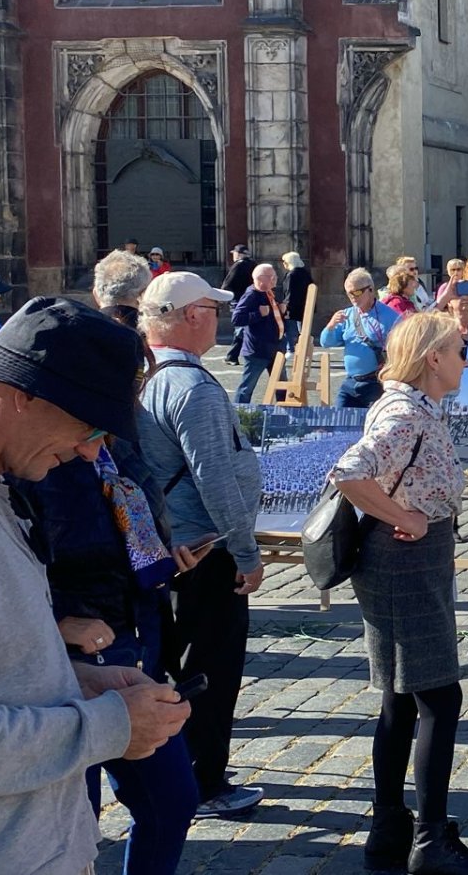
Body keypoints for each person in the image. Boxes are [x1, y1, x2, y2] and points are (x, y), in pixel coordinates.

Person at [0, 297, 193, 875]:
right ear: (24, 391)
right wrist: (109, 725)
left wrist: (73, 682)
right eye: (91, 428)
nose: (92, 451)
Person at [31, 251, 201, 875]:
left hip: (139, 630)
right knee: (79, 820)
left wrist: (162, 547)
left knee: (172, 800)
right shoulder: (35, 463)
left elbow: (137, 496)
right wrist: (60, 627)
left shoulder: (117, 437)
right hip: (74, 657)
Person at [330, 313, 468, 875]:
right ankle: (428, 840)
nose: (465, 360)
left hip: (405, 560)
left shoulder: (411, 405)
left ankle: (389, 827)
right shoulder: (406, 412)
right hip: (403, 561)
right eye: (458, 350)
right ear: (432, 357)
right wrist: (405, 515)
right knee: (437, 698)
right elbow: (349, 472)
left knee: (402, 698)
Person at [136, 271, 266, 818]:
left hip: (177, 547)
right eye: (212, 308)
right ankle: (204, 782)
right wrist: (247, 552)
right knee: (210, 669)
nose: (220, 317)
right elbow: (214, 476)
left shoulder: (154, 376)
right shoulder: (190, 386)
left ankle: (190, 770)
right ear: (191, 316)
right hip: (206, 552)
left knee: (184, 662)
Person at [321, 268, 403, 408]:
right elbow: (326, 343)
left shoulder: (390, 316)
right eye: (348, 293)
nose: (352, 297)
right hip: (351, 381)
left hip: (376, 383)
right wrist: (331, 325)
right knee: (338, 423)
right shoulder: (347, 315)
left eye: (357, 292)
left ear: (370, 289)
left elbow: (403, 348)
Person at [230, 263, 285, 403]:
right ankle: (239, 415)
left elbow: (271, 318)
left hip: (274, 348)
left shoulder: (267, 292)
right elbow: (236, 319)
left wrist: (280, 310)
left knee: (283, 386)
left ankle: (286, 417)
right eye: (271, 277)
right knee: (247, 387)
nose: (275, 279)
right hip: (257, 351)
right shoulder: (251, 295)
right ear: (261, 279)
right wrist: (258, 314)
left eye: (275, 276)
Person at [219, 244, 255, 366]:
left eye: (234, 253)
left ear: (239, 254)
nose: (233, 255)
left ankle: (233, 356)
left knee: (240, 328)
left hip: (238, 300)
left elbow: (228, 283)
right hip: (251, 299)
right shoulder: (253, 264)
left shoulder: (238, 265)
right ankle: (233, 355)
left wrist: (222, 297)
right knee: (245, 328)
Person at [280, 251, 313, 347]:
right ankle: (304, 348)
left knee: (290, 330)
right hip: (305, 306)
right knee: (303, 330)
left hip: (293, 308)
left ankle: (291, 349)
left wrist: (286, 306)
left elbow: (289, 292)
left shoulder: (291, 275)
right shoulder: (305, 273)